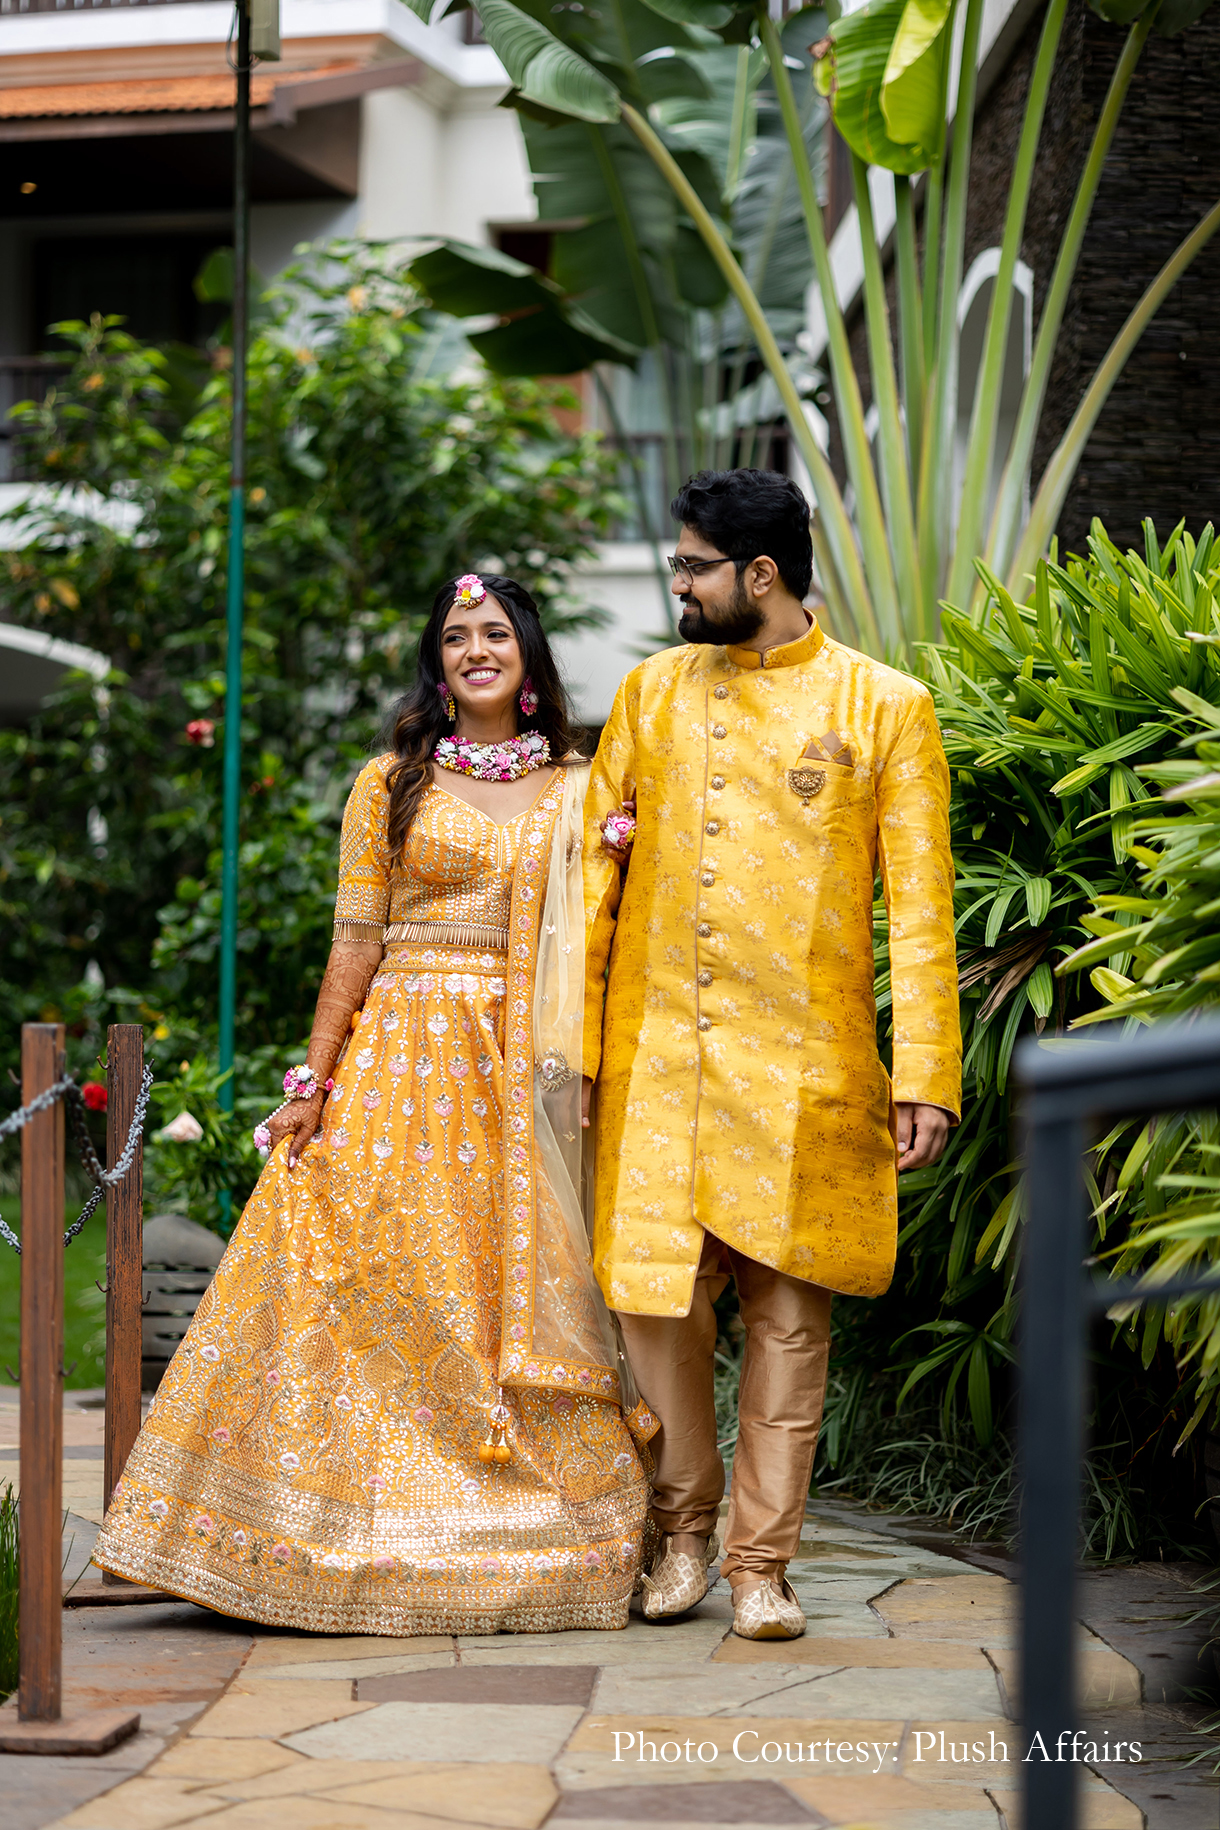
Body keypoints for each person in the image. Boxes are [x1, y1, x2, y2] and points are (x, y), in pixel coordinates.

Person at [95, 573, 648, 1635]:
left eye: (493, 632)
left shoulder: (586, 787)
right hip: (400, 1054)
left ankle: (531, 1516)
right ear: (435, 665)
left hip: (526, 1069)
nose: (473, 649)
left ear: (528, 654)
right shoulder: (392, 780)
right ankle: (309, 1524)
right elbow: (356, 936)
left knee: (504, 1288)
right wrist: (313, 1077)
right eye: (453, 637)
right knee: (375, 1270)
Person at [581, 470, 961, 1641]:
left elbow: (921, 908)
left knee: (790, 1328)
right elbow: (594, 885)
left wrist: (924, 1075)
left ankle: (760, 1565)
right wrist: (576, 1051)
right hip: (656, 1070)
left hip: (805, 1074)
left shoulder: (881, 707)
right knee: (657, 1313)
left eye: (692, 567)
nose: (676, 585)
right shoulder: (649, 696)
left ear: (758, 575)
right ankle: (681, 1534)